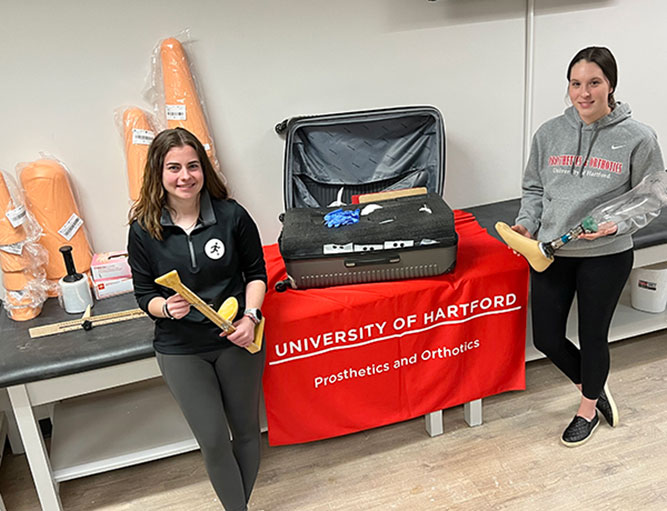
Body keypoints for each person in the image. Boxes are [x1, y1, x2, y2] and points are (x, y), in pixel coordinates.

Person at [512, 46, 664, 447]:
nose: (584, 93)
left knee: (593, 336)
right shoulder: (549, 133)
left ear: (610, 85)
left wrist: (616, 224)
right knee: (545, 337)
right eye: (576, 83)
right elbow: (534, 188)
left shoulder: (638, 137)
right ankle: (593, 388)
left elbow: (651, 197)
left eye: (594, 83)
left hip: (606, 254)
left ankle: (586, 409)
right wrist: (527, 223)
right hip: (551, 252)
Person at [127, 127, 267, 509]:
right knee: (213, 440)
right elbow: (145, 295)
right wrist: (165, 308)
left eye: (193, 166)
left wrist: (250, 317)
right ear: (158, 172)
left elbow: (256, 274)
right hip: (180, 348)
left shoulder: (232, 215)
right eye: (174, 167)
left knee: (246, 433)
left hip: (237, 338)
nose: (184, 176)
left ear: (204, 169)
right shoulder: (143, 228)